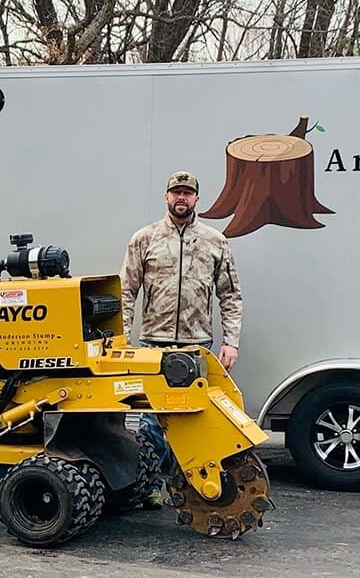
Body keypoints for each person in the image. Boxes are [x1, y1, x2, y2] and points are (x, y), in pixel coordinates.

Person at [119, 170, 243, 508]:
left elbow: (230, 296)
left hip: (195, 346)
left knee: (193, 419)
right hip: (152, 346)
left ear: (197, 200)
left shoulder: (215, 242)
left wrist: (230, 341)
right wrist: (122, 342)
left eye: (188, 193)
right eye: (176, 192)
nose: (181, 198)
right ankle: (149, 487)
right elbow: (126, 293)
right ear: (166, 197)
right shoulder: (144, 240)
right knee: (152, 421)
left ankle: (188, 485)